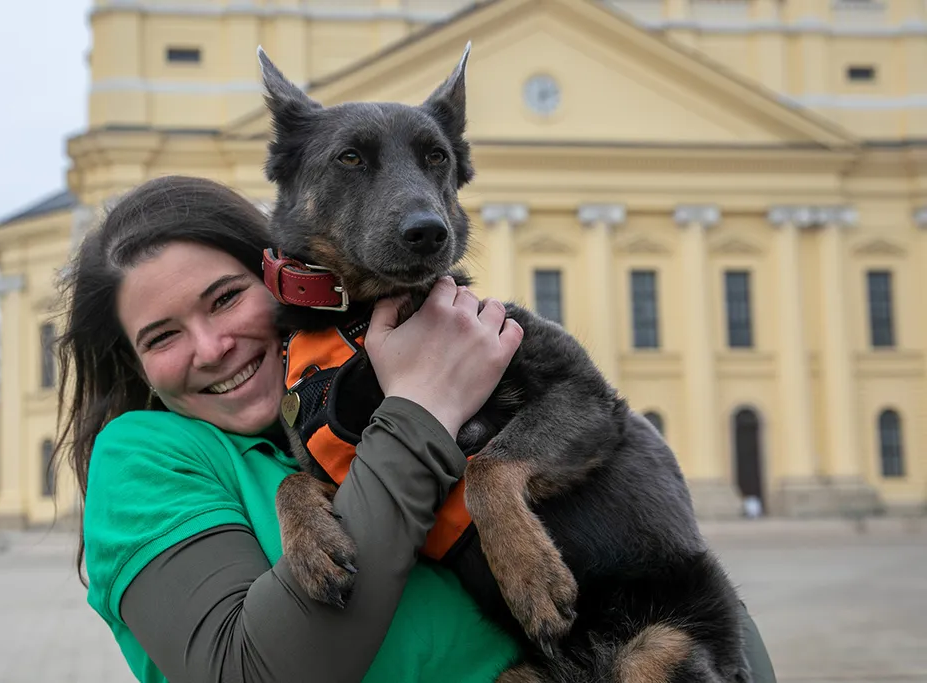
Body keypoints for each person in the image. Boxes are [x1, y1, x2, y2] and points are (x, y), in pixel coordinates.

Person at [56, 175, 777, 683]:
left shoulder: (335, 410)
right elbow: (251, 672)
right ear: (135, 363)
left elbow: (651, 561)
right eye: (163, 335)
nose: (213, 346)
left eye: (226, 298)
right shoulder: (142, 458)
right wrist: (423, 403)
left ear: (288, 276)